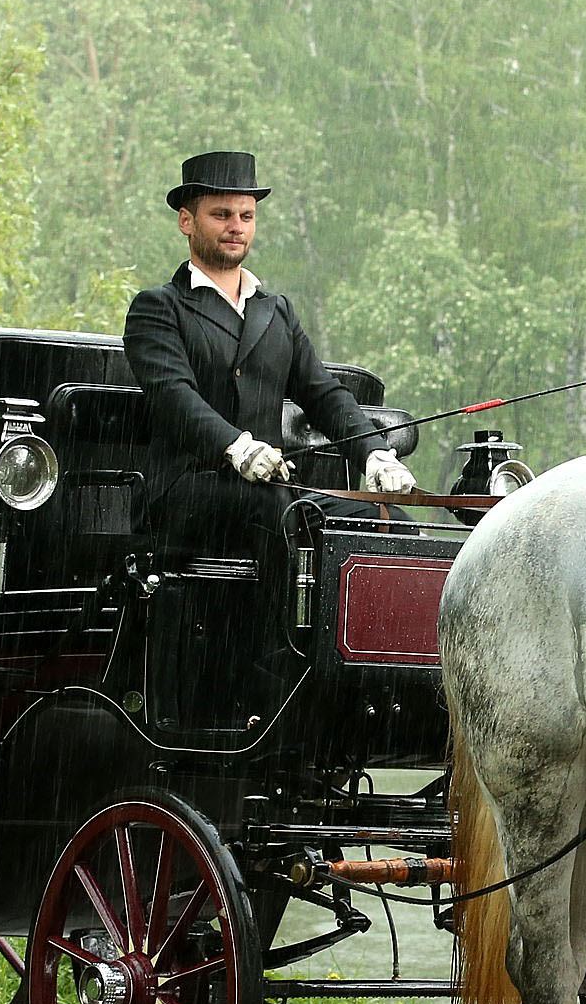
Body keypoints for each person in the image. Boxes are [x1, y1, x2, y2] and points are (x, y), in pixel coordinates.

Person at [121, 150, 418, 722]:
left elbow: (326, 394)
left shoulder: (276, 312)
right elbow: (175, 399)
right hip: (186, 493)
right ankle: (278, 674)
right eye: (221, 214)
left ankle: (384, 675)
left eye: (246, 215)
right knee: (284, 513)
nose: (236, 227)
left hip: (264, 491)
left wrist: (374, 453)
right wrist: (237, 446)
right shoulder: (158, 309)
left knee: (382, 518)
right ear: (187, 221)